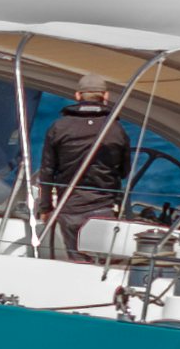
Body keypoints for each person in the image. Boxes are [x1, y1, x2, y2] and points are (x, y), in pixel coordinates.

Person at [37, 83, 133, 238]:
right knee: (97, 257)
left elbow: (47, 172)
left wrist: (45, 208)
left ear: (77, 96)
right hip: (103, 206)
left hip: (69, 208)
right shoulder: (116, 129)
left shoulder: (59, 127)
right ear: (106, 96)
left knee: (74, 258)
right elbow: (124, 171)